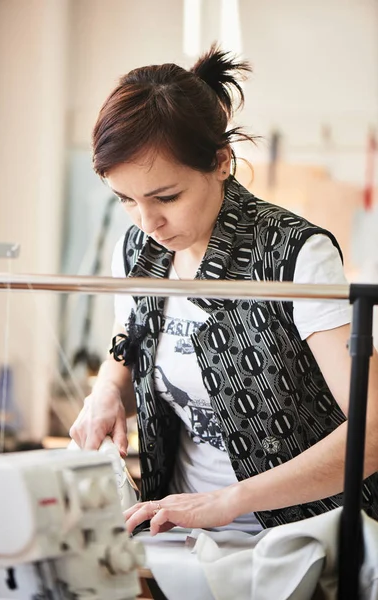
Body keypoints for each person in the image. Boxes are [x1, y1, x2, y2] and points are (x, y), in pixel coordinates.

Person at [70, 45, 378, 536]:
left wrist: (230, 501)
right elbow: (127, 348)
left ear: (221, 162)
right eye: (126, 200)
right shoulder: (137, 253)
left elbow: (373, 431)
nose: (148, 223)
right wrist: (107, 390)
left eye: (166, 197)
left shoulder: (295, 254)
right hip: (180, 530)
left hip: (305, 535)